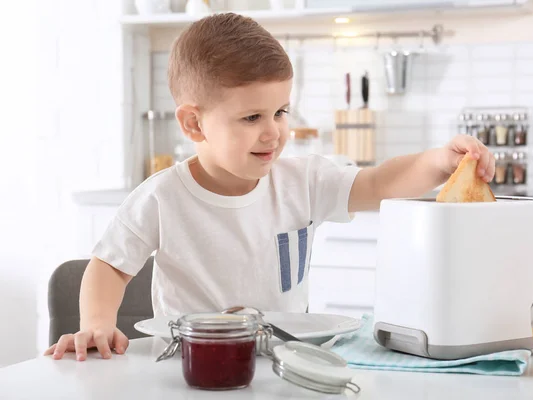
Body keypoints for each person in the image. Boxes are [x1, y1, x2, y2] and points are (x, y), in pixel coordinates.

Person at [45, 13, 495, 361]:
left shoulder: (304, 180)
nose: (274, 132)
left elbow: (377, 183)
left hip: (286, 360)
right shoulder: (162, 196)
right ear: (194, 123)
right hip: (191, 365)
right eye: (252, 117)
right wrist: (98, 323)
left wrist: (438, 161)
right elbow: (109, 266)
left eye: (280, 112)